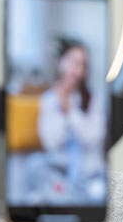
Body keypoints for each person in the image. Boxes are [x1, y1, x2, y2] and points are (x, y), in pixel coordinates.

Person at [25, 40, 107, 204]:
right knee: (34, 164)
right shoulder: (49, 99)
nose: (76, 69)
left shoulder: (93, 99)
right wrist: (61, 110)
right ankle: (67, 196)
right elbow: (51, 143)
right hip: (60, 169)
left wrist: (70, 111)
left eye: (82, 65)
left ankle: (60, 197)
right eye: (72, 62)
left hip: (88, 172)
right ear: (61, 62)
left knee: (98, 191)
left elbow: (93, 138)